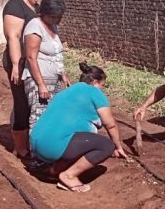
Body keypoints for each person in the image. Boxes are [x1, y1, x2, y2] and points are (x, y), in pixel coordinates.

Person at [30, 63, 128, 193]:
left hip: (36, 144)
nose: (101, 89)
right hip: (53, 147)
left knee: (79, 139)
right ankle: (68, 176)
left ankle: (55, 170)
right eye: (102, 85)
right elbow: (110, 124)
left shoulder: (66, 91)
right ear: (94, 82)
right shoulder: (93, 91)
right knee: (106, 145)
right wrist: (117, 146)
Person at [2, 0, 44, 158]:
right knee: (21, 103)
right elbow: (13, 37)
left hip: (31, 61)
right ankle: (20, 148)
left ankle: (30, 140)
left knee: (32, 101)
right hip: (18, 62)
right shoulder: (14, 6)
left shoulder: (34, 6)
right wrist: (16, 65)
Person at [22, 0, 70, 133]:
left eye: (60, 17)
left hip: (54, 80)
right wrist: (41, 85)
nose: (58, 20)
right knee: (39, 116)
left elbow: (56, 53)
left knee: (51, 114)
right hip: (39, 80)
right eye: (54, 17)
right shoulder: (35, 26)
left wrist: (63, 74)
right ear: (44, 13)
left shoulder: (53, 27)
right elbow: (31, 58)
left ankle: (47, 147)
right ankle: (35, 149)